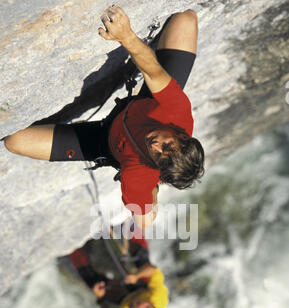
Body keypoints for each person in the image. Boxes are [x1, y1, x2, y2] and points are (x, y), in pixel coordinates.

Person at [3, 5, 204, 229]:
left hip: (104, 142)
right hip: (145, 104)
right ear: (180, 134)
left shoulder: (139, 175)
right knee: (186, 20)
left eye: (159, 157)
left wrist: (152, 188)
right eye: (168, 145)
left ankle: (157, 186)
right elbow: (152, 73)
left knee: (14, 141)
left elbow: (143, 222)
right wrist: (126, 36)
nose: (156, 145)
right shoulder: (176, 113)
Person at [68, 228, 169, 308]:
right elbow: (153, 270)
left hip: (121, 298)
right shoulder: (159, 297)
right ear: (152, 305)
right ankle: (129, 223)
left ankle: (72, 246)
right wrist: (136, 276)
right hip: (140, 285)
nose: (141, 306)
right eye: (147, 307)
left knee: (92, 281)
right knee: (141, 258)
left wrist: (100, 298)